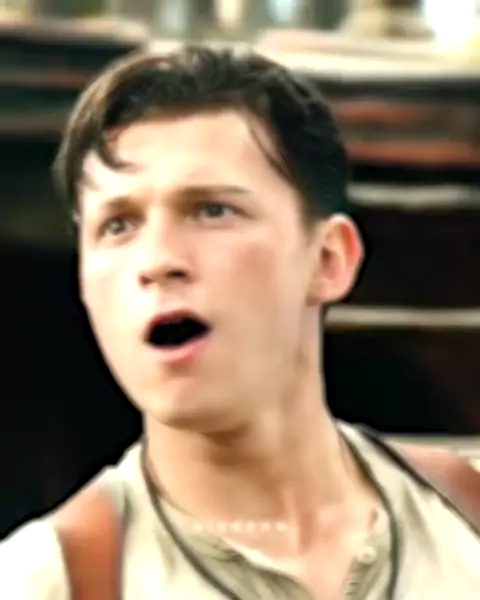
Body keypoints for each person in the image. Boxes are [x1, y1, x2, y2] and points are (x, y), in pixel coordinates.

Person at [1, 44, 479, 600]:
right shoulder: (44, 583)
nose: (157, 260)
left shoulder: (461, 521)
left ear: (328, 260)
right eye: (118, 225)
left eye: (212, 210)